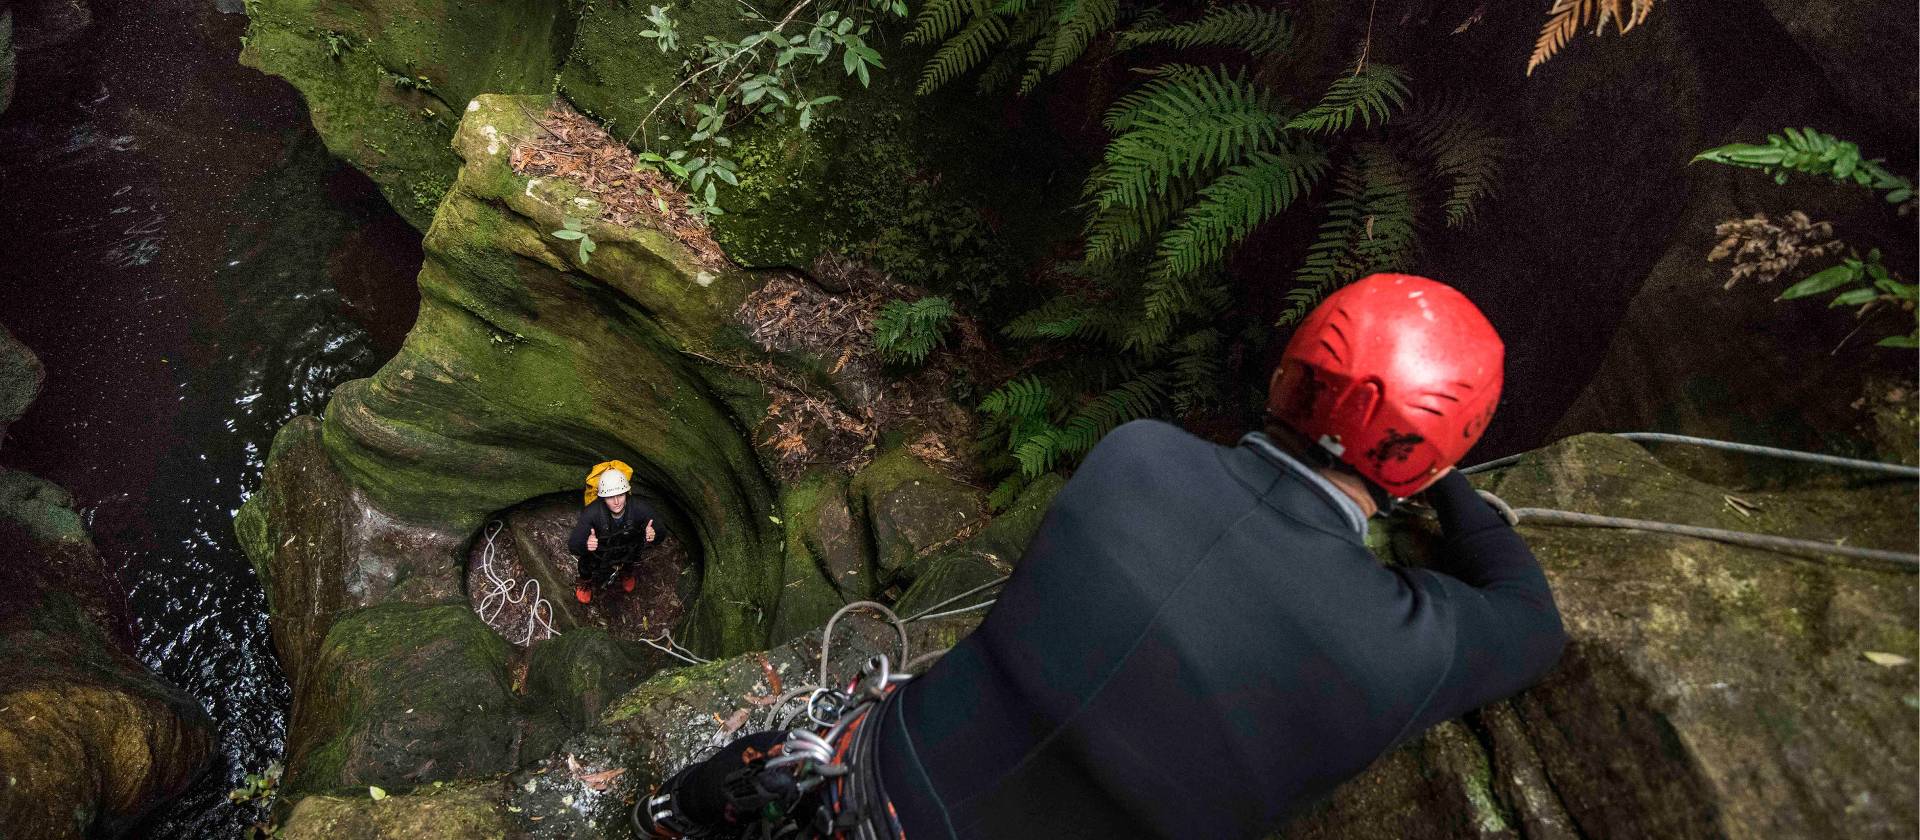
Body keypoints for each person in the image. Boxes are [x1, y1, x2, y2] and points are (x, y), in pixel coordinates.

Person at [639, 273, 1567, 839]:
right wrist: (1443, 487)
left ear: (1291, 373)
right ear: (1429, 454)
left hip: (871, 783)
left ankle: (680, 812)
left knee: (752, 775)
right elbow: (1532, 618)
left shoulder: (1140, 456)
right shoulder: (1402, 646)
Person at [569, 466, 661, 604]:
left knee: (632, 556)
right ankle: (585, 582)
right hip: (601, 552)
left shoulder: (639, 508)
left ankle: (626, 573)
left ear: (627, 493)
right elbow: (573, 546)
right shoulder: (592, 513)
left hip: (628, 547)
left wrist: (652, 536)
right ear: (603, 498)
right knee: (587, 564)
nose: (617, 502)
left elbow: (661, 533)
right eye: (611, 497)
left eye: (620, 495)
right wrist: (586, 544)